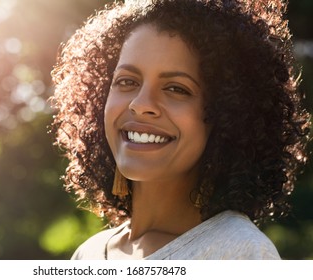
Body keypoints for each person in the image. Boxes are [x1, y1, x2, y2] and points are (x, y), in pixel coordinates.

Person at [50, 0, 311, 259]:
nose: (140, 105)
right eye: (127, 81)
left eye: (176, 88)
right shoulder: (90, 254)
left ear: (225, 115)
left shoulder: (241, 254)